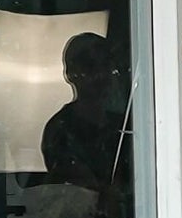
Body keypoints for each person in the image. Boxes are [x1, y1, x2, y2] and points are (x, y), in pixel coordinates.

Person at [42, 28, 131, 198]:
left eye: (106, 68)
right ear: (72, 75)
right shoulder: (60, 130)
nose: (101, 77)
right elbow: (74, 188)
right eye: (92, 69)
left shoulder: (123, 126)